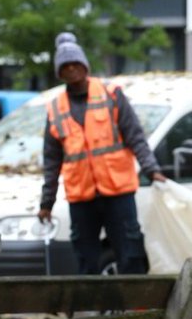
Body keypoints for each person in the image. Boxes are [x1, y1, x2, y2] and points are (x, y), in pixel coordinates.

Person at [39, 32, 165, 274]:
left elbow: (135, 136)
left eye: (76, 63)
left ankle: (135, 309)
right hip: (81, 197)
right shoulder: (56, 108)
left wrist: (152, 169)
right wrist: (47, 202)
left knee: (130, 253)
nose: (72, 69)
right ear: (59, 72)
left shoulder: (111, 95)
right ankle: (93, 310)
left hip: (117, 192)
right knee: (86, 260)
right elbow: (52, 161)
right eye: (65, 66)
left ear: (85, 66)